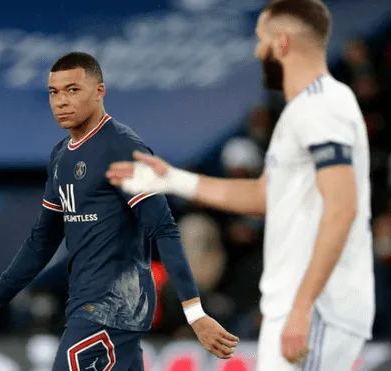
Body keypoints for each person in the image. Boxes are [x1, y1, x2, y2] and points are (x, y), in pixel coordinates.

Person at [106, 0, 375, 370]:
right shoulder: (301, 112)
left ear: (282, 43)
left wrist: (303, 306)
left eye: (261, 39)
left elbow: (343, 207)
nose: (257, 50)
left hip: (319, 307)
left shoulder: (322, 106)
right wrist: (172, 179)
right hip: (302, 306)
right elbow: (264, 195)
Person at [0, 52, 238, 370]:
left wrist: (194, 313)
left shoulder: (121, 148)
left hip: (113, 308)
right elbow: (41, 241)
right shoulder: (61, 156)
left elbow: (163, 228)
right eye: (54, 92)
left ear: (99, 92)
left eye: (73, 90)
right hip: (86, 306)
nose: (61, 101)